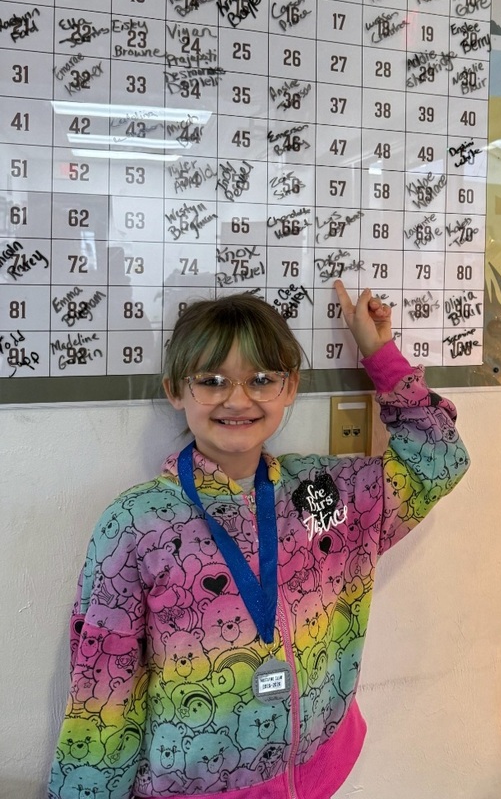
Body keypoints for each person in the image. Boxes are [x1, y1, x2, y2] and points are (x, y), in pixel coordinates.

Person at [49, 281, 470, 799]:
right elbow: (102, 691)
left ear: (289, 387)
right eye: (212, 381)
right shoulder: (137, 525)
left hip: (320, 776)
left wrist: (379, 353)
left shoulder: (323, 494)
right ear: (175, 391)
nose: (238, 399)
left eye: (261, 379)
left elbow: (439, 460)